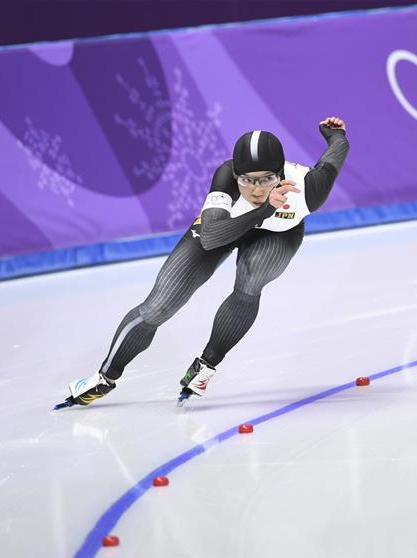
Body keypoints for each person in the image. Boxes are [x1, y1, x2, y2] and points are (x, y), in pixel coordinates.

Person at [54, 117, 349, 410]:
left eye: (266, 180)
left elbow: (336, 152)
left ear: (281, 174)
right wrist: (265, 210)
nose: (257, 190)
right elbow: (210, 238)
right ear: (235, 174)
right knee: (159, 305)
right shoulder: (225, 176)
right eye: (247, 180)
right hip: (225, 227)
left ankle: (206, 365)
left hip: (278, 235)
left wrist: (334, 134)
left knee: (252, 277)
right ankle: (105, 376)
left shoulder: (309, 187)